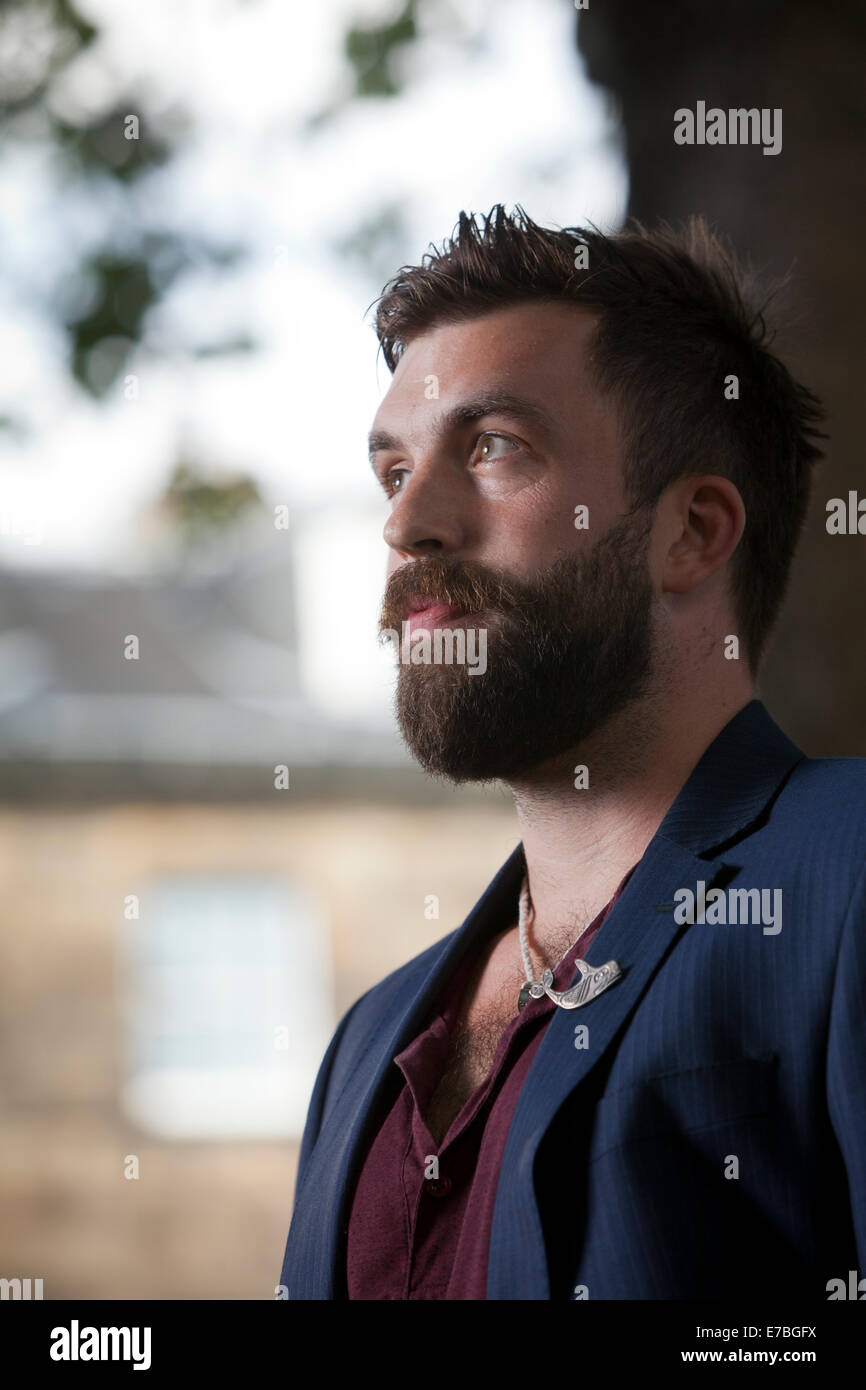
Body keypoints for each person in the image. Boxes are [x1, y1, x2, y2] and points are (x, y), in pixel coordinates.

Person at [279, 206, 866, 1300]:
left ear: (690, 532)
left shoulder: (848, 878)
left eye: (494, 446)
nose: (407, 523)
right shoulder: (368, 1043)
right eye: (392, 469)